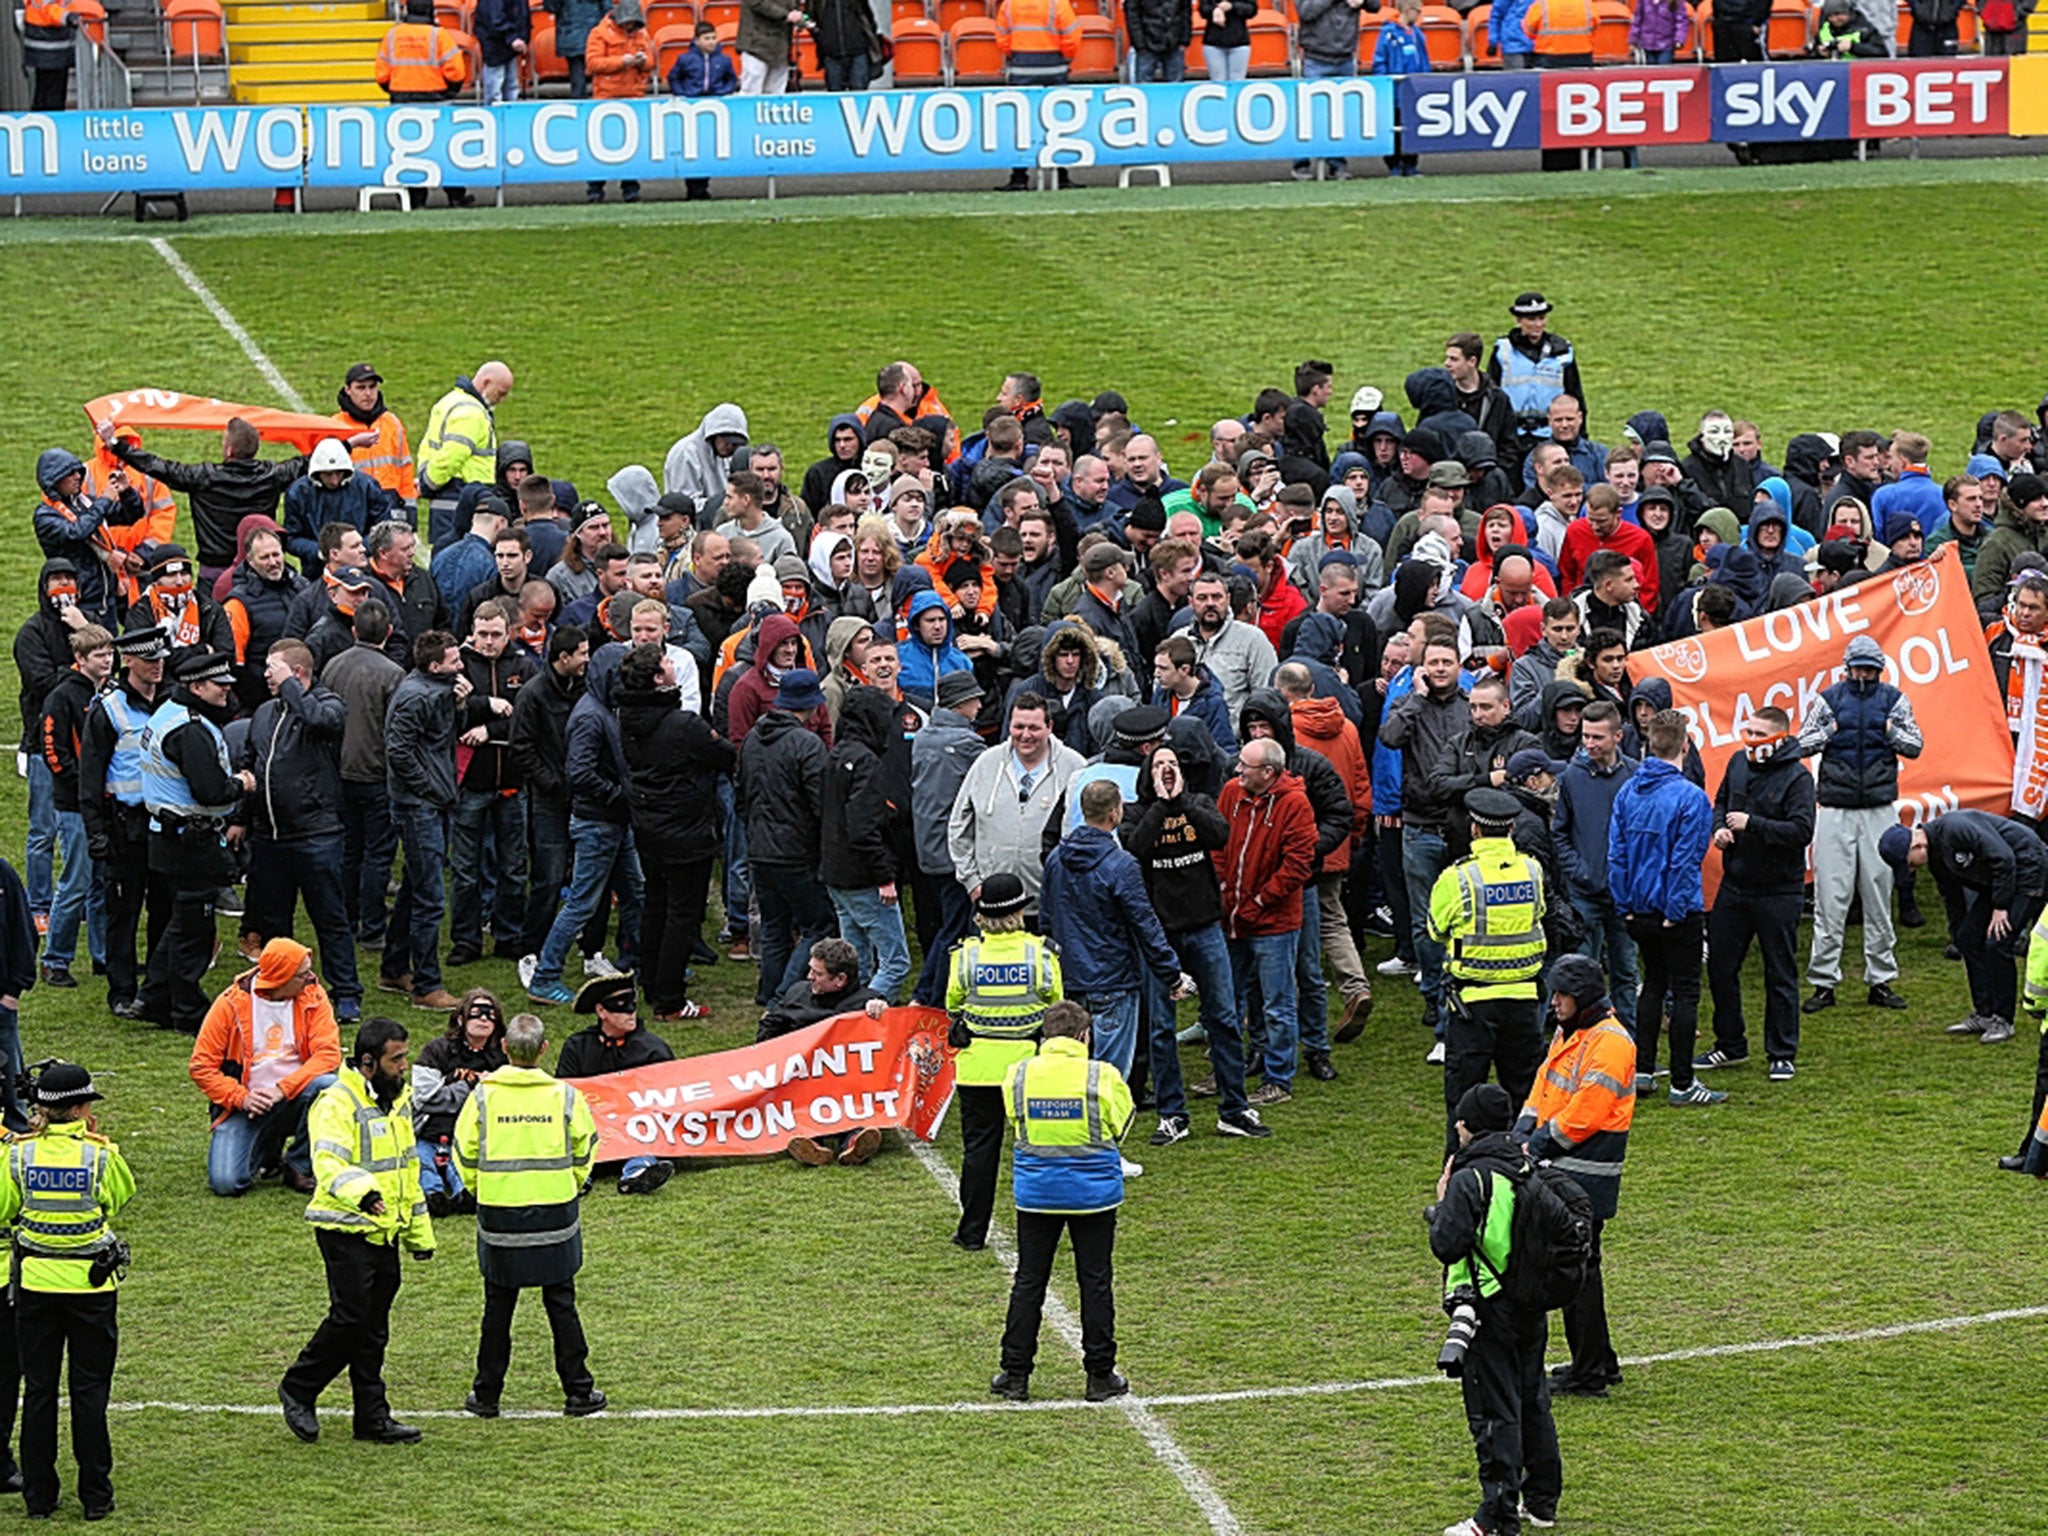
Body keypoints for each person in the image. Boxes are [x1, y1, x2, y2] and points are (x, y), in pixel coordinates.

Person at [278, 1016, 434, 1446]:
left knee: (374, 1326)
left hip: (383, 1229)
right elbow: (328, 1163)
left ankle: (371, 1417)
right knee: (351, 1318)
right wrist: (364, 1195)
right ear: (368, 1062)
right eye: (396, 1058)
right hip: (344, 1226)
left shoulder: (396, 1100)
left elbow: (406, 1171)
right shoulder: (335, 1102)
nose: (404, 1066)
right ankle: (300, 1387)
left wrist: (419, 1234)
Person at [453, 1011, 605, 1418]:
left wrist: (481, 1190)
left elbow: (463, 1152)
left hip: (500, 1215)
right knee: (561, 1303)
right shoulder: (565, 1095)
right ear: (543, 1049)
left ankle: (486, 1395)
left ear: (503, 1046)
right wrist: (569, 1183)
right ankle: (578, 1391)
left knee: (498, 1306)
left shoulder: (483, 1096)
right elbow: (586, 1147)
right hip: (555, 1213)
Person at [1, 1063, 135, 1521]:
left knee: (38, 1392)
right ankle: (95, 1495)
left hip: (36, 1287)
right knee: (90, 1392)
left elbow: (4, 1206)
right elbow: (119, 1198)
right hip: (92, 1290)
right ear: (79, 1109)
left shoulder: (18, 1155)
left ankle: (39, 1497)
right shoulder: (100, 1156)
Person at [1428, 1081, 1563, 1536]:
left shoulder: (1472, 1178)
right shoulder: (1525, 1165)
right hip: (1530, 1304)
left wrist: (1446, 1199)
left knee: (1494, 1412)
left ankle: (1497, 1517)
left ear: (1468, 1126)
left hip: (1488, 1307)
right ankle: (1541, 1501)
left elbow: (1447, 1245)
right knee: (1533, 1401)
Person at [988, 1000, 1134, 1405]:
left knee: (1029, 1281)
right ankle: (1100, 1375)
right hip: (1094, 1195)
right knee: (1096, 1281)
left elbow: (1017, 1123)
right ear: (1084, 1036)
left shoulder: (1018, 1075)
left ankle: (1015, 1375)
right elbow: (1120, 1126)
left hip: (1037, 1193)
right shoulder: (1101, 1075)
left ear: (1045, 1035)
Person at [1516, 954, 1634, 1401]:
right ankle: (1598, 1360)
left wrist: (1537, 1142)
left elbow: (1587, 1112)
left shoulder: (1609, 1042)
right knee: (1581, 1267)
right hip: (1569, 1167)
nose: (1554, 1002)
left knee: (1577, 1271)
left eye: (1562, 995)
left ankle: (1590, 1372)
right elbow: (1543, 1086)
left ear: (1582, 996)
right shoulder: (1574, 1034)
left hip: (1583, 1170)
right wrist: (1524, 1129)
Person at [1797, 636, 1919, 1017]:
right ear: (1847, 668)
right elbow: (1802, 743)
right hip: (1835, 806)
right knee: (1830, 898)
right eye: (1858, 667)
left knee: (1879, 893)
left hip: (1879, 807)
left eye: (1869, 668)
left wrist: (1891, 732)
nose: (1863, 674)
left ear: (1878, 669)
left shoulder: (1894, 699)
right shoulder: (1829, 699)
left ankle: (1880, 978)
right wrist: (1829, 732)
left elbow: (1915, 744)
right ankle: (1824, 981)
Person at [1427, 788, 1550, 1159]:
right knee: (1525, 1099)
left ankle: (1459, 1181)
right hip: (1524, 1002)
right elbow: (1539, 914)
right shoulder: (1532, 869)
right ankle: (1525, 1174)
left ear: (1474, 829)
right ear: (1512, 828)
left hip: (1472, 1004)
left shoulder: (1458, 877)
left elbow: (1435, 929)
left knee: (1463, 1102)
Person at [1607, 710, 1721, 1106]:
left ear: (1647, 745)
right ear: (1686, 746)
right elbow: (1685, 860)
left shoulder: (1627, 792)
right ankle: (1683, 1082)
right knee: (1686, 992)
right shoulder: (1690, 797)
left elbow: (1617, 854)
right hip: (1676, 909)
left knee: (1653, 982)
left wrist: (1625, 904)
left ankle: (1643, 1071)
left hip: (1638, 909)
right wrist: (1675, 909)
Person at [945, 873, 1063, 1252]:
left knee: (979, 1152)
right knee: (1037, 1149)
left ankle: (972, 1232)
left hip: (978, 1067)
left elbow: (952, 1003)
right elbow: (1056, 1006)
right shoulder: (1041, 955)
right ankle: (1043, 1231)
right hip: (1029, 1068)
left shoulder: (965, 957)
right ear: (1019, 911)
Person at [136, 650, 250, 1035]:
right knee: (194, 931)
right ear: (196, 686)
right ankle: (186, 1011)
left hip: (167, 836)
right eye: (220, 686)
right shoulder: (191, 729)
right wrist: (243, 784)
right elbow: (211, 791)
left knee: (179, 923)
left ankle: (154, 997)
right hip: (191, 840)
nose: (227, 693)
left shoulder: (168, 712)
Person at [616, 644, 730, 1021]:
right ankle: (669, 998)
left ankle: (651, 981)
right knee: (683, 913)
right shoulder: (682, 725)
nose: (673, 664)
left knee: (656, 904)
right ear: (657, 678)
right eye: (666, 662)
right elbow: (725, 755)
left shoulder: (628, 717)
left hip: (649, 826)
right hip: (687, 830)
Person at [1701, 707, 1815, 1082]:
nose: (1750, 740)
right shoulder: (1737, 762)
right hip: (1735, 885)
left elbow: (1801, 830)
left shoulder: (1797, 777)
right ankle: (1730, 1043)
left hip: (1778, 891)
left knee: (1779, 972)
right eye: (1747, 731)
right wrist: (1719, 830)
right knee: (1720, 966)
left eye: (1759, 734)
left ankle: (1782, 1052)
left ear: (1780, 738)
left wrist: (1754, 825)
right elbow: (1720, 803)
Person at [1041, 780, 1181, 1082]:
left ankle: (1072, 1126)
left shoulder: (1055, 859)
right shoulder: (1121, 865)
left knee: (1070, 1070)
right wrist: (1172, 974)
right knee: (1108, 1076)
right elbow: (1145, 924)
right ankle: (1103, 1128)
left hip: (1070, 978)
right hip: (1114, 979)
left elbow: (1046, 919)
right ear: (1115, 813)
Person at [189, 937, 341, 1197]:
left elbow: (328, 1055)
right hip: (245, 1105)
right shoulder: (229, 1003)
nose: (310, 978)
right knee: (227, 1183)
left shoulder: (313, 996)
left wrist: (282, 1089)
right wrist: (242, 1098)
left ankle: (298, 1165)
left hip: (294, 1096)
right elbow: (202, 1066)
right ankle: (268, 1149)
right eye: (302, 974)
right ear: (280, 979)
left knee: (329, 1086)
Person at [1884, 813, 2048, 1048]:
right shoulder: (1936, 856)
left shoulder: (1956, 829)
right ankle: (1984, 1013)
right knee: (1968, 939)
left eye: (1908, 863)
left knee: (1997, 942)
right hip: (1999, 881)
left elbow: (2003, 857)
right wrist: (1958, 933)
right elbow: (1951, 896)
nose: (1910, 870)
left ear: (1916, 845)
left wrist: (2001, 907)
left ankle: (2003, 1019)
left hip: (2028, 869)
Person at [1216, 736, 1317, 1107]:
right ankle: (1228, 1069)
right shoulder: (1231, 793)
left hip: (1274, 923)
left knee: (1277, 1003)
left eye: (1247, 766)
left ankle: (1278, 1078)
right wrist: (1225, 886)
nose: (1238, 771)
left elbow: (1297, 865)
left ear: (1269, 772)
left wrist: (1260, 901)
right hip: (1233, 917)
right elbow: (1217, 842)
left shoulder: (1295, 804)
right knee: (1228, 999)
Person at [79, 626, 167, 1019]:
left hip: (164, 824)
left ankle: (157, 988)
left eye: (161, 658)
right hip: (125, 824)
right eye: (149, 659)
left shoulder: (170, 701)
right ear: (128, 661)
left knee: (164, 908)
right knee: (124, 911)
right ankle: (122, 990)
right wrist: (95, 830)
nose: (157, 665)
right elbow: (91, 774)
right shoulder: (109, 708)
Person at [383, 631, 466, 1013]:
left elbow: (434, 740)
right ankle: (426, 986)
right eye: (454, 661)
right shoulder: (417, 696)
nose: (461, 665)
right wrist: (430, 788)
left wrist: (461, 706)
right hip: (420, 807)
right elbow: (398, 750)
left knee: (415, 886)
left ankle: (395, 967)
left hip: (428, 802)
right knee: (431, 898)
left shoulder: (435, 691)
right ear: (435, 667)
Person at [947, 693, 1084, 920]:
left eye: (1034, 728)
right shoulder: (986, 763)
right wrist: (972, 882)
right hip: (993, 905)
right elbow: (958, 826)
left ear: (1049, 726)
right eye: (1018, 727)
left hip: (1051, 905)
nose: (1025, 735)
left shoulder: (1074, 767)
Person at [763, 939, 892, 1166]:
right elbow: (767, 1034)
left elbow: (886, 1042)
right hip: (802, 1083)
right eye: (811, 970)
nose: (810, 977)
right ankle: (811, 1144)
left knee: (852, 1112)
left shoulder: (866, 1004)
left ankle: (853, 1141)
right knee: (803, 1107)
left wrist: (882, 1013)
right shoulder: (797, 993)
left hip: (847, 1088)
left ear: (840, 979)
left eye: (817, 973)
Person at [1552, 700, 1637, 1036]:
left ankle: (1628, 1041)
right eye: (1586, 736)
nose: (1589, 743)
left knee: (1626, 969)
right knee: (1580, 974)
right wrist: (1579, 870)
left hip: (1623, 894)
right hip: (1585, 893)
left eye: (1597, 737)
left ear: (1618, 736)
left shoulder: (1634, 775)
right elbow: (1560, 831)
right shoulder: (1572, 776)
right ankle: (1580, 1040)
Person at [822, 686, 912, 1003]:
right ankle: (859, 1013)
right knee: (896, 963)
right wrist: (885, 876)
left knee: (854, 960)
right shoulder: (868, 763)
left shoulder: (835, 755)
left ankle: (844, 1018)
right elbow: (862, 828)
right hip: (865, 878)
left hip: (836, 874)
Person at [36, 624, 112, 990]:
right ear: (80, 660)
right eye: (99, 655)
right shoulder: (62, 696)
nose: (107, 660)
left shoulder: (108, 693)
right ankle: (54, 960)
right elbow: (53, 752)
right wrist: (84, 786)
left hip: (103, 805)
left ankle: (103, 956)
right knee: (76, 882)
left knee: (101, 883)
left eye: (110, 654)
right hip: (74, 807)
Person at [553, 973, 678, 1194]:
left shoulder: (654, 1049)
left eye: (633, 1004)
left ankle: (636, 1173)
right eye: (621, 1006)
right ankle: (580, 1176)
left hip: (637, 1130)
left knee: (646, 1136)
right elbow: (564, 1095)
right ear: (601, 1011)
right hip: (591, 1128)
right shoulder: (577, 1047)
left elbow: (670, 1099)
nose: (631, 1012)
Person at [410, 989, 505, 1217]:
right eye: (476, 1013)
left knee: (464, 1167)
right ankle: (433, 1195)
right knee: (422, 1162)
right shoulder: (436, 1050)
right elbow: (424, 1098)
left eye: (490, 1014)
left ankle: (464, 1193)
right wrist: (470, 1087)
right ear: (461, 1019)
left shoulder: (503, 1057)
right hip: (428, 1131)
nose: (483, 1019)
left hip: (472, 1136)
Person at [375, 0, 473, 207]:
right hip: (437, 101)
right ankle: (455, 197)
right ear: (431, 11)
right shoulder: (439, 36)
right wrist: (449, 92)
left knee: (409, 153)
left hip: (402, 104)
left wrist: (396, 90)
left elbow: (381, 75)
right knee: (445, 151)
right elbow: (456, 72)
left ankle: (415, 200)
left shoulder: (393, 35)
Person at [32, 451, 144, 628]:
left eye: (78, 472)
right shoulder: (45, 516)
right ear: (53, 479)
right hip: (77, 602)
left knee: (109, 654)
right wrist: (105, 499)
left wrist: (127, 492)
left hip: (105, 597)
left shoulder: (85, 504)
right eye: (70, 474)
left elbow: (130, 515)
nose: (78, 476)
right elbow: (77, 532)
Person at [418, 365, 514, 548]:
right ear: (486, 383)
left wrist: (426, 481)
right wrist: (428, 483)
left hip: (447, 498)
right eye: (500, 393)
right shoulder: (471, 412)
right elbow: (452, 455)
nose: (502, 399)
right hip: (461, 496)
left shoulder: (450, 401)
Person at [993, 0, 1080, 190]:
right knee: (1058, 123)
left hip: (1021, 69)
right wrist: (1064, 57)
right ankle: (1061, 175)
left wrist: (1016, 54)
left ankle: (1019, 177)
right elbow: (1072, 36)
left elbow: (1002, 39)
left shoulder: (1009, 4)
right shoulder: (1057, 3)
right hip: (1054, 69)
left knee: (1021, 124)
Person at [1489, 294, 1584, 454]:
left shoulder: (1562, 351)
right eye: (1531, 319)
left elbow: (1575, 395)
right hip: (1511, 435)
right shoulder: (1503, 349)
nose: (1538, 324)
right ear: (1518, 320)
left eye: (1542, 318)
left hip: (1550, 435)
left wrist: (1581, 435)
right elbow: (1491, 394)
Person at [584, 0, 653, 203]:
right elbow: (592, 63)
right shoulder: (599, 33)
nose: (630, 28)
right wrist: (622, 62)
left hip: (633, 96)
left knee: (632, 146)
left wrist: (642, 62)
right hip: (606, 97)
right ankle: (595, 189)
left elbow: (651, 62)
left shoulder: (642, 34)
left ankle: (631, 189)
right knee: (600, 146)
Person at [669, 16, 737, 200]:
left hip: (713, 107)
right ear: (697, 40)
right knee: (691, 148)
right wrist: (682, 94)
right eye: (707, 38)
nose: (711, 42)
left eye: (713, 38)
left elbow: (731, 79)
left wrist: (722, 92)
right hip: (691, 107)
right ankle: (692, 188)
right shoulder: (685, 59)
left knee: (708, 148)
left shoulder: (724, 60)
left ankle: (703, 187)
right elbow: (673, 77)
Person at [737, 0, 807, 96]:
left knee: (777, 93)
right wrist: (786, 15)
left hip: (781, 48)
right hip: (756, 45)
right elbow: (757, 3)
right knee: (751, 91)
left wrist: (799, 16)